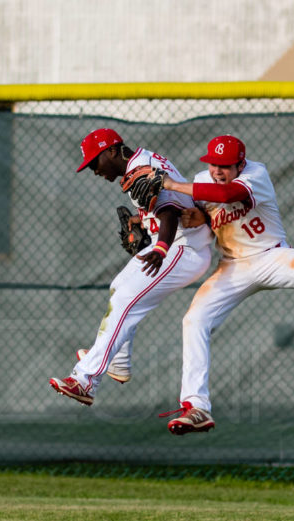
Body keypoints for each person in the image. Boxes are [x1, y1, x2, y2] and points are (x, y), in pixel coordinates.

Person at [158, 135, 294, 434]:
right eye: (213, 165)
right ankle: (196, 407)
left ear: (240, 164)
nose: (217, 171)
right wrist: (188, 219)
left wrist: (170, 184)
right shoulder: (201, 181)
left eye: (224, 166)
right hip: (232, 267)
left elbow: (228, 195)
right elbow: (200, 213)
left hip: (271, 255)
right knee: (194, 320)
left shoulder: (255, 174)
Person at [48, 128, 214, 405]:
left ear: (111, 151)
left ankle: (85, 380)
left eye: (94, 162)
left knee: (127, 300)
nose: (93, 170)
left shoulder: (141, 168)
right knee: (119, 288)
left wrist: (160, 248)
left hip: (183, 247)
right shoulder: (140, 163)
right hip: (173, 243)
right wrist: (141, 222)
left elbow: (169, 212)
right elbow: (158, 208)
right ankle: (118, 362)